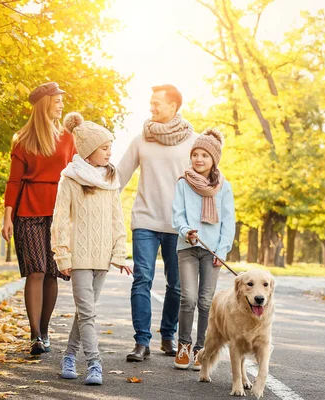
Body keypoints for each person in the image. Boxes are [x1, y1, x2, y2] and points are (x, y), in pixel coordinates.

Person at [117, 84, 197, 361]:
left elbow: (204, 183)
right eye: (151, 102)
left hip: (179, 226)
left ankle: (168, 335)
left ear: (173, 106)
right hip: (145, 220)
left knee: (176, 285)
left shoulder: (192, 141)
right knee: (142, 280)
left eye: (157, 103)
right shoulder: (141, 140)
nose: (151, 107)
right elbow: (119, 176)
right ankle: (141, 342)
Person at [51, 112, 132, 385]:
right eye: (105, 147)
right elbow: (60, 221)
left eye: (111, 146)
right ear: (88, 151)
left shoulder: (111, 181)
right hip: (79, 256)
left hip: (103, 257)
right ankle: (95, 365)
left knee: (84, 311)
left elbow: (116, 220)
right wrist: (62, 254)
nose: (110, 152)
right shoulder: (70, 180)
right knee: (88, 313)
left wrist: (119, 254)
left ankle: (69, 356)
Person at [2, 82, 75, 356]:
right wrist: (7, 217)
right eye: (57, 101)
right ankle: (34, 336)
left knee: (52, 273)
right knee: (36, 270)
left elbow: (76, 172)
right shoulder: (23, 140)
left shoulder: (69, 138)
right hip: (28, 211)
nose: (61, 105)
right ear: (45, 103)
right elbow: (14, 181)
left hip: (59, 213)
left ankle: (44, 331)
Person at [171, 128, 235, 371]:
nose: (198, 159)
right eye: (195, 154)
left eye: (204, 155)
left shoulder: (223, 186)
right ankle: (184, 345)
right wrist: (186, 230)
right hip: (187, 247)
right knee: (187, 298)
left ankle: (201, 348)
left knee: (206, 301)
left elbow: (228, 221)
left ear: (214, 159)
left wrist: (222, 249)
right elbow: (177, 214)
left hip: (212, 252)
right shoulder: (183, 184)